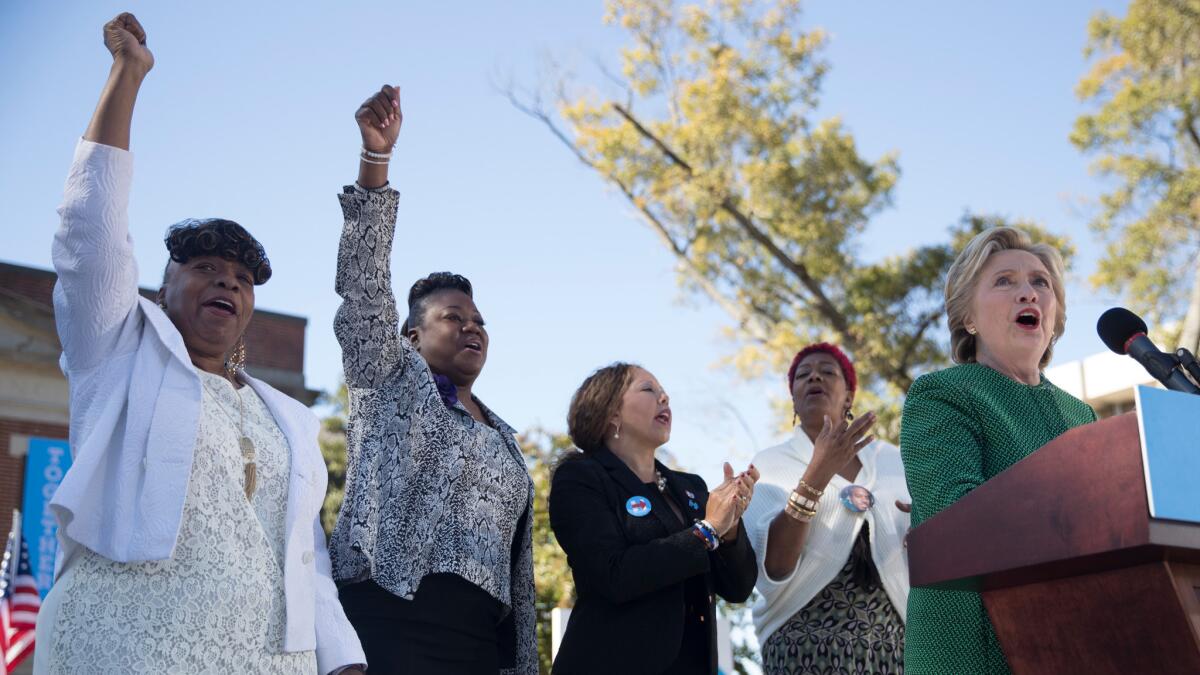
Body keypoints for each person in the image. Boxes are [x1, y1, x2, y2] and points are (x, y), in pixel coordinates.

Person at [33, 13, 364, 674]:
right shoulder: (119, 352)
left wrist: (341, 658)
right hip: (131, 647)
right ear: (160, 290)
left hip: (273, 657)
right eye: (205, 267)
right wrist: (127, 75)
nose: (227, 282)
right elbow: (90, 231)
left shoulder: (291, 418)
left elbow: (304, 552)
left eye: (242, 278)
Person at [329, 85, 537, 674]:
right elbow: (365, 287)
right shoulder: (391, 381)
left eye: (479, 321)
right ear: (412, 337)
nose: (472, 328)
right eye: (453, 318)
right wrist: (375, 162)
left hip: (475, 643)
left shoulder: (504, 438)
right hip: (387, 625)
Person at [900, 226, 1097, 674]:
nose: (1027, 292)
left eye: (1040, 282)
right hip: (972, 650)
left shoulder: (1081, 415)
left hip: (1071, 645)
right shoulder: (942, 394)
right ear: (968, 318)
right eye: (1004, 281)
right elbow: (957, 517)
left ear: (1056, 313)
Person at [548, 363, 759, 674]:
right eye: (649, 390)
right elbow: (613, 575)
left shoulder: (692, 488)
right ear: (611, 412)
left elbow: (738, 589)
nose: (665, 398)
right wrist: (707, 530)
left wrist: (729, 525)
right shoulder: (580, 477)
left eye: (664, 393)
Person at [743, 343, 910, 674]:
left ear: (849, 395)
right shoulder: (771, 463)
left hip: (895, 646)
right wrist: (815, 478)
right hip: (803, 645)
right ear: (793, 398)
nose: (814, 376)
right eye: (802, 375)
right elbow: (773, 567)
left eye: (828, 371)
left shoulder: (894, 461)